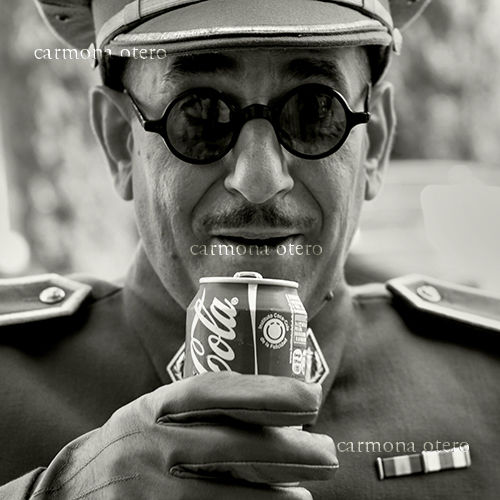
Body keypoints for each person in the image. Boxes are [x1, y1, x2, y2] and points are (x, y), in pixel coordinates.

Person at [1, 0, 499, 498]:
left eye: (314, 110)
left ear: (378, 143)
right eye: (200, 114)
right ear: (118, 144)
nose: (259, 180)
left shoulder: (485, 388)